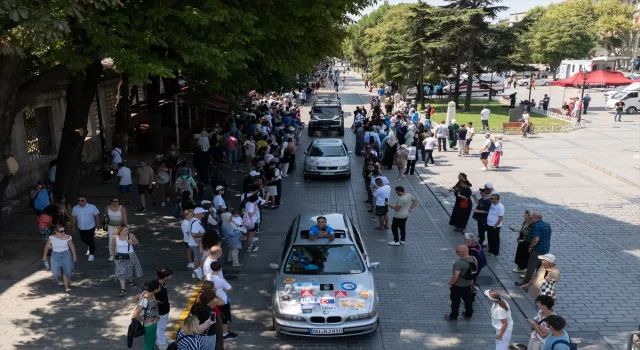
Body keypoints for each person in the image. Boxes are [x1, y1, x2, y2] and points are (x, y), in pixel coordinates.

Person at [207, 261, 239, 340]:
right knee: (225, 317)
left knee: (216, 316)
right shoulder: (220, 280)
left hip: (213, 300)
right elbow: (230, 288)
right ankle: (225, 334)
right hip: (223, 300)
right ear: (220, 269)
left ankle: (217, 330)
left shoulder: (208, 276)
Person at [444, 245, 477, 322]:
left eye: (457, 251)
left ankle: (454, 316)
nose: (456, 253)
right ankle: (468, 314)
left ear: (462, 253)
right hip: (469, 284)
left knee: (455, 301)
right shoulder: (474, 259)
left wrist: (451, 283)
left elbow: (456, 276)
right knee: (468, 300)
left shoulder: (459, 263)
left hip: (458, 286)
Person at [519, 211, 552, 285]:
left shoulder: (536, 226)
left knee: (531, 265)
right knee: (540, 266)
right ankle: (538, 279)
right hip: (545, 249)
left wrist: (531, 246)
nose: (530, 219)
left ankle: (527, 280)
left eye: (531, 218)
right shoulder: (547, 224)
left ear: (535, 218)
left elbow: (536, 239)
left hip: (537, 250)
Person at [42, 225, 77, 293]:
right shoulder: (51, 238)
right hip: (55, 255)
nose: (63, 232)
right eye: (61, 231)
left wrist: (74, 255)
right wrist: (45, 255)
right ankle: (59, 280)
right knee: (56, 272)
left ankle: (66, 287)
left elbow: (71, 246)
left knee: (67, 270)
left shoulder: (68, 237)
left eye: (64, 231)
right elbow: (47, 246)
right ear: (56, 232)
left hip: (66, 254)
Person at [111, 224, 143, 296]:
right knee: (121, 271)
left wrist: (132, 243)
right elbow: (113, 246)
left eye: (127, 230)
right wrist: (113, 255)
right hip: (120, 256)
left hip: (130, 255)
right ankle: (123, 289)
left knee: (130, 269)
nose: (127, 231)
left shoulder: (130, 235)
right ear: (120, 231)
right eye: (125, 230)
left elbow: (137, 242)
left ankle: (130, 281)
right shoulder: (115, 237)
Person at [132, 280, 161, 350]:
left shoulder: (147, 293)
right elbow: (135, 314)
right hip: (149, 325)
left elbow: (135, 298)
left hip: (153, 323)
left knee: (151, 342)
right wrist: (144, 321)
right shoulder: (145, 299)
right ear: (155, 290)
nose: (160, 288)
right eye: (159, 287)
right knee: (148, 345)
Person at [71, 195, 100, 262]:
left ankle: (91, 253)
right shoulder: (75, 208)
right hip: (81, 227)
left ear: (85, 201)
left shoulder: (92, 207)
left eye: (82, 200)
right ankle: (89, 246)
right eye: (79, 200)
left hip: (90, 226)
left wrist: (98, 224)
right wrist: (73, 226)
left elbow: (96, 216)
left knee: (91, 239)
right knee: (83, 239)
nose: (80, 202)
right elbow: (74, 217)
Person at [155, 268, 173, 350]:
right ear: (165, 277)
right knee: (160, 327)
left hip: (165, 309)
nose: (171, 276)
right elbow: (147, 294)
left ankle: (162, 340)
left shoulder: (163, 283)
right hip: (160, 311)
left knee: (163, 326)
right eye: (169, 275)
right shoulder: (156, 285)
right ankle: (161, 344)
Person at [105, 197, 128, 262]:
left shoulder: (122, 208)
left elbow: (125, 218)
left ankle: (119, 255)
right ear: (111, 202)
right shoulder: (107, 208)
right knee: (111, 240)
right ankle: (112, 255)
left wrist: (125, 227)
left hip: (119, 227)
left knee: (120, 240)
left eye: (117, 201)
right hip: (110, 226)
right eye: (114, 201)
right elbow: (105, 217)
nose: (116, 203)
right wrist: (104, 226)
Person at [189, 208, 207, 279]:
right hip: (196, 244)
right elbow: (194, 234)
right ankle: (197, 273)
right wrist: (205, 234)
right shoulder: (196, 222)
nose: (204, 214)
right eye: (203, 213)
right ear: (198, 214)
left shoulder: (193, 220)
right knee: (198, 259)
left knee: (198, 258)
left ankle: (195, 274)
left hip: (194, 243)